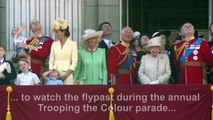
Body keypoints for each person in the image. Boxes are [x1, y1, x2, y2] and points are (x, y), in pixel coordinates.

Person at [49, 18, 78, 85]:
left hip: (67, 74)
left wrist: (66, 75)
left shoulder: (73, 44)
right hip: (55, 74)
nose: (55, 34)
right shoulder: (54, 44)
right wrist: (51, 73)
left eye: (57, 32)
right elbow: (51, 60)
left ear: (63, 31)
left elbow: (74, 62)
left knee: (68, 93)